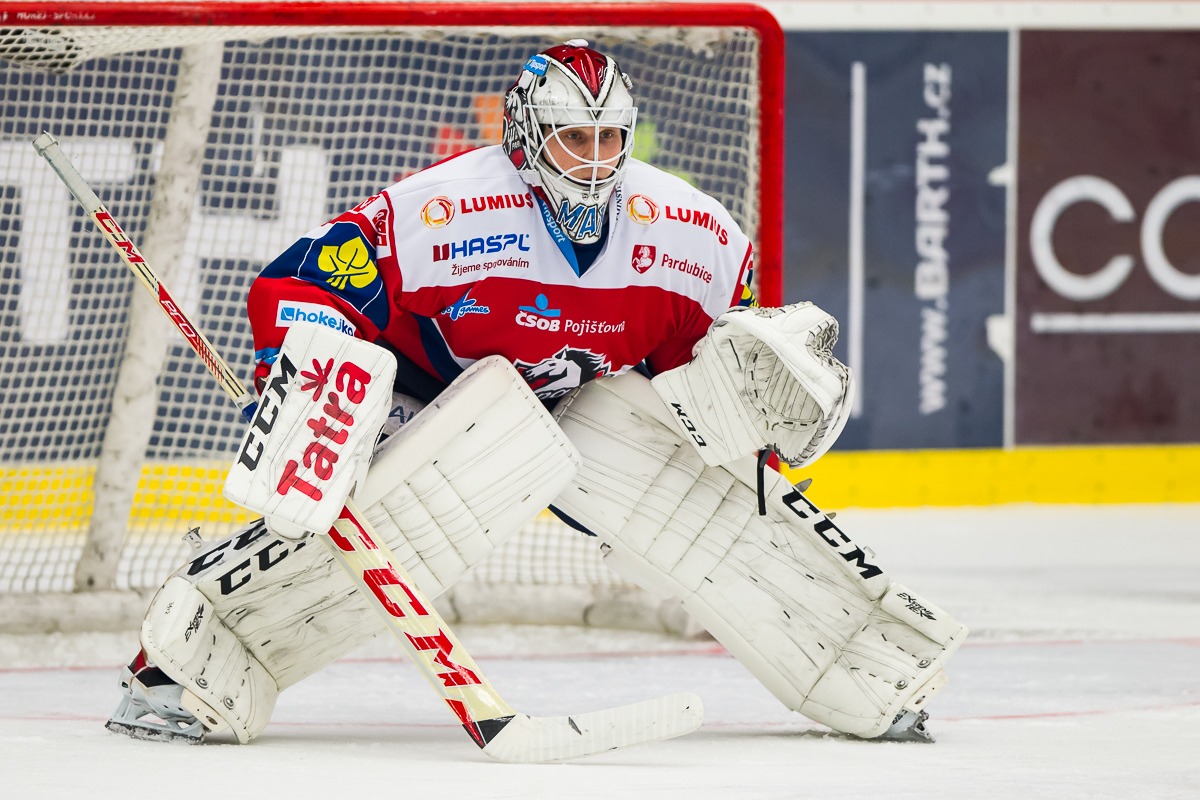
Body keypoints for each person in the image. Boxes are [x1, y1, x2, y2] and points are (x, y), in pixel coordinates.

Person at [107, 40, 963, 748]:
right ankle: (180, 670)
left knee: (704, 498)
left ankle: (868, 668)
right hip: (426, 398)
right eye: (572, 140)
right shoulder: (442, 212)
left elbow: (693, 382)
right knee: (434, 494)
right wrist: (310, 391)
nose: (594, 161)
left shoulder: (693, 236)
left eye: (609, 139)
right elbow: (305, 285)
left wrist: (748, 409)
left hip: (578, 407)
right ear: (525, 138)